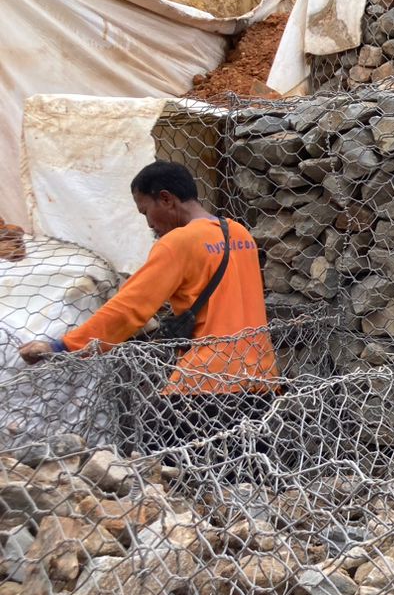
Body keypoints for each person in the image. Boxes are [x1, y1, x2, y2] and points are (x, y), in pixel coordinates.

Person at [19, 161, 279, 451]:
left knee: (173, 475)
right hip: (260, 377)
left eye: (145, 211)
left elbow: (128, 309)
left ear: (166, 199)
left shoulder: (178, 243)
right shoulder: (240, 233)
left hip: (206, 384)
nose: (148, 223)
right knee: (246, 481)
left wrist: (63, 346)